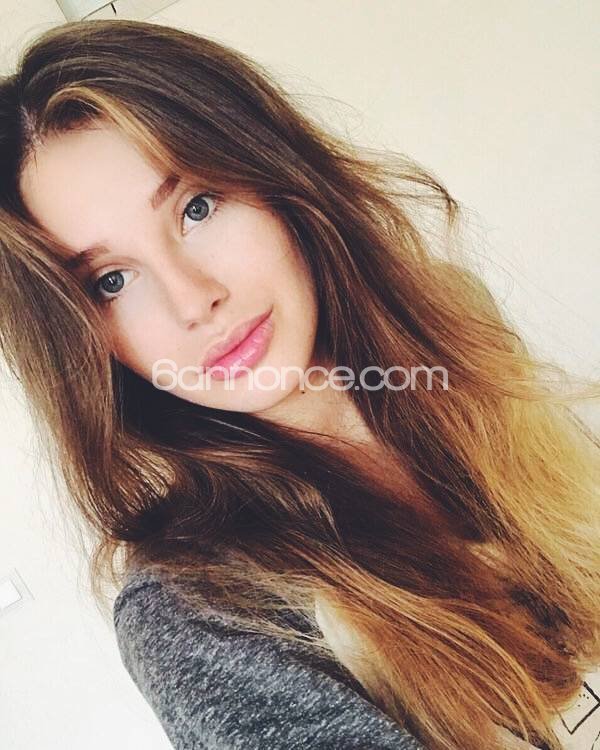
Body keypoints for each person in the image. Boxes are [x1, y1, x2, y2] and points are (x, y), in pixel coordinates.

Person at [0, 17, 598, 750]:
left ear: (280, 183)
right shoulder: (199, 614)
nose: (193, 301)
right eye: (110, 280)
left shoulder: (456, 339)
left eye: (196, 208)